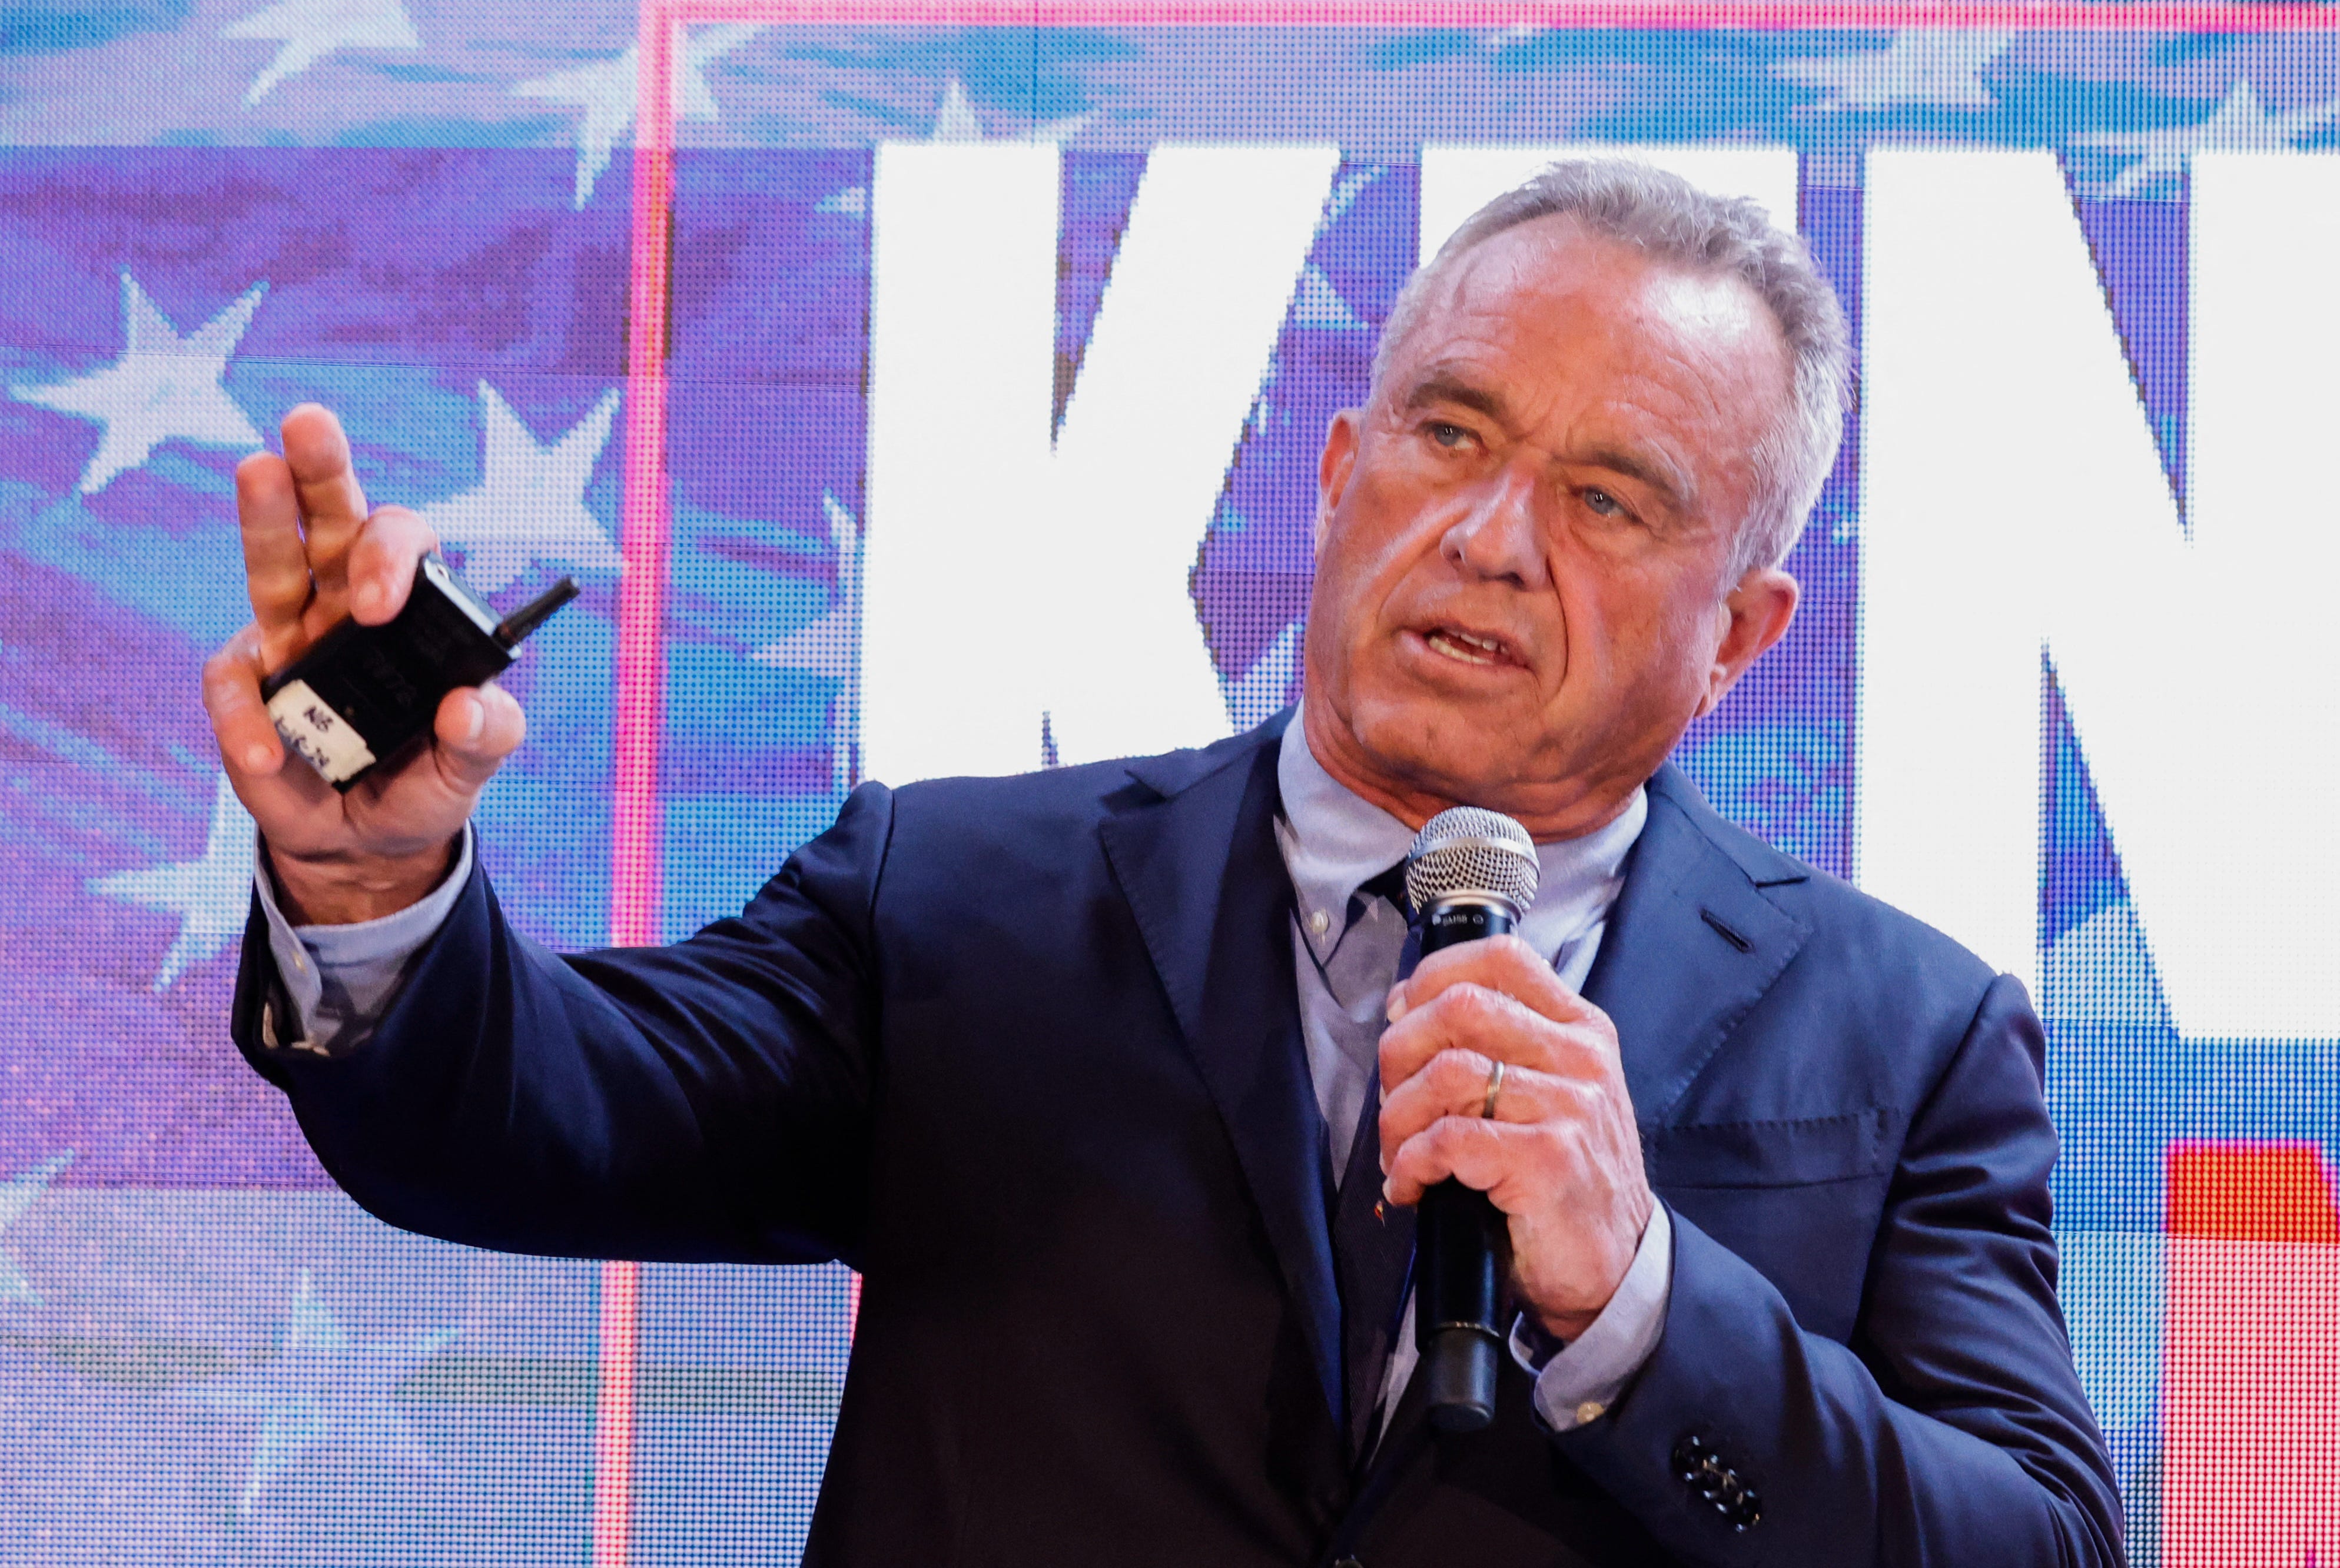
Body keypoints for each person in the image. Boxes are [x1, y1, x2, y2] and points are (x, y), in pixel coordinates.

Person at [204, 161, 2123, 1565]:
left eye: (1612, 499)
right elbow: (529, 1117)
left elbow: (2037, 1548)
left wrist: (1635, 1303)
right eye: (1450, 437)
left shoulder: (1912, 1035)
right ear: (1336, 472)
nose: (1489, 535)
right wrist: (375, 894)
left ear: (1740, 637)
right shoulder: (953, 899)